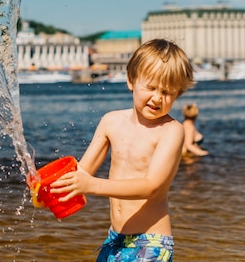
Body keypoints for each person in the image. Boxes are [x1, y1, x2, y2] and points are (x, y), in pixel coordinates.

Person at [50, 39, 195, 261]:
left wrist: (92, 186)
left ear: (178, 94)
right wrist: (48, 187)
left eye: (167, 92)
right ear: (131, 80)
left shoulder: (171, 131)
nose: (157, 97)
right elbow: (82, 172)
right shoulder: (111, 121)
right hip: (114, 239)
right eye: (151, 87)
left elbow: (151, 186)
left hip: (151, 242)